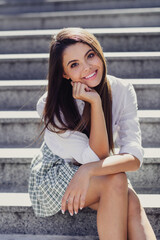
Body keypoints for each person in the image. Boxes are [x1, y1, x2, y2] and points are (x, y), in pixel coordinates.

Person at [28, 27, 156, 240]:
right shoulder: (50, 104)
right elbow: (98, 158)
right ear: (64, 73)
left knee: (131, 201)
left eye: (90, 55)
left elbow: (134, 159)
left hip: (94, 170)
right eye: (74, 64)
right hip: (54, 174)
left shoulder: (122, 89)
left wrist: (87, 171)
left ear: (99, 52)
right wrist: (96, 104)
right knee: (117, 182)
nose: (87, 67)